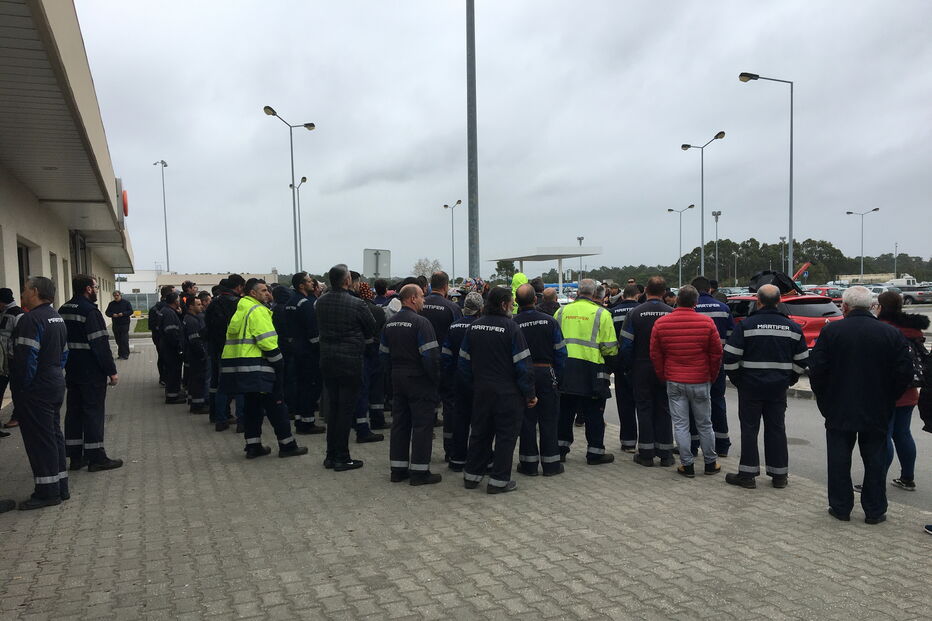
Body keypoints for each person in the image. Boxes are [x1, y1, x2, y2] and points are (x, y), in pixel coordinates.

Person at [809, 286, 913, 524]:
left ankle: (840, 507)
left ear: (844, 307)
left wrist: (825, 401)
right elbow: (903, 373)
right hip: (877, 407)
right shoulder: (890, 333)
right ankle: (875, 511)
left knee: (838, 460)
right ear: (872, 306)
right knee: (875, 460)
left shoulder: (832, 332)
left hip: (838, 407)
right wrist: (889, 399)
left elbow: (817, 371)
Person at [723, 284, 808, 489]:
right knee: (776, 428)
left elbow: (730, 357)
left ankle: (747, 475)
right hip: (778, 387)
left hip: (750, 386)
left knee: (749, 429)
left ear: (758, 301)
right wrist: (790, 379)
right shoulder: (793, 327)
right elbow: (802, 359)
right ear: (779, 301)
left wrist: (737, 380)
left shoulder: (746, 325)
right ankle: (779, 476)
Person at [458, 287, 536, 493]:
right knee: (505, 437)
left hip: (481, 391)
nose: (512, 306)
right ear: (503, 304)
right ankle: (499, 482)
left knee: (479, 434)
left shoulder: (473, 327)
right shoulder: (512, 328)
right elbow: (523, 366)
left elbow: (463, 363)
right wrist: (529, 393)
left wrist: (473, 386)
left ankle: (471, 477)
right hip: (507, 394)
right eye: (511, 303)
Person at [219, 279, 307, 459]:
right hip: (260, 368)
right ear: (253, 293)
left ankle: (253, 446)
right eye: (264, 290)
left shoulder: (241, 310)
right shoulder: (258, 311)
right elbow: (267, 341)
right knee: (277, 406)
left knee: (252, 408)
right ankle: (287, 445)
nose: (268, 293)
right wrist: (279, 362)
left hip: (242, 369)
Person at [650, 285, 723, 478]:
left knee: (680, 425)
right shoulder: (707, 323)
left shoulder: (661, 323)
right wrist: (711, 376)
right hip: (700, 380)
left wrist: (662, 374)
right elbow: (716, 354)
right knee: (705, 424)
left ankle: (687, 465)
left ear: (676, 300)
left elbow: (655, 354)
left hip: (674, 380)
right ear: (696, 302)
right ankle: (710, 463)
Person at [11, 277, 69, 509]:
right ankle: (60, 487)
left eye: (25, 290)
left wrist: (22, 388)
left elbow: (26, 360)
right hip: (54, 381)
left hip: (36, 388)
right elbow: (64, 353)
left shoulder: (30, 320)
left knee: (40, 441)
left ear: (34, 291)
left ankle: (47, 493)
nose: (22, 294)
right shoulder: (56, 318)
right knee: (54, 436)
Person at [315, 264, 376, 471]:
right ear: (347, 280)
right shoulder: (357, 303)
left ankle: (331, 455)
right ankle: (342, 457)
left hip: (327, 360)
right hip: (350, 361)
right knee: (345, 410)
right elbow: (371, 327)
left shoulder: (320, 302)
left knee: (334, 408)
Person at [59, 274, 122, 472]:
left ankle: (75, 457)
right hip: (91, 371)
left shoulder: (63, 310)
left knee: (74, 412)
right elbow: (100, 345)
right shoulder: (90, 312)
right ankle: (96, 458)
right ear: (87, 289)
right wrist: (111, 371)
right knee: (93, 412)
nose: (96, 290)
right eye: (95, 287)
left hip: (72, 370)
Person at [380, 284, 442, 485]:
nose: (424, 300)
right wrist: (435, 380)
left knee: (400, 424)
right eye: (422, 296)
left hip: (397, 378)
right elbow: (430, 357)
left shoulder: (389, 323)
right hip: (419, 379)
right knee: (422, 426)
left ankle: (397, 470)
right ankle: (419, 472)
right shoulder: (421, 323)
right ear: (412, 299)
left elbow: (383, 356)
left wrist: (390, 378)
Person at [554, 278, 618, 465]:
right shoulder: (601, 313)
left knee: (564, 412)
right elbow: (610, 348)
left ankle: (559, 450)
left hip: (565, 368)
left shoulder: (561, 311)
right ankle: (595, 452)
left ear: (578, 292)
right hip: (591, 370)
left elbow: (554, 341)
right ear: (594, 293)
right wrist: (611, 364)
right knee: (594, 413)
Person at [875, 291, 928, 492]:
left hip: (886, 391)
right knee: (903, 433)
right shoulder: (914, 329)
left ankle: (876, 479)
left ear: (881, 307)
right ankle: (907, 478)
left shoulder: (883, 329)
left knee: (882, 436)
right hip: (909, 390)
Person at [514, 284, 567, 476]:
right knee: (549, 419)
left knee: (527, 421)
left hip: (523, 375)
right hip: (547, 373)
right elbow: (561, 353)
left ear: (517, 302)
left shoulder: (513, 323)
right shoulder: (550, 322)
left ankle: (528, 465)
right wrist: (558, 378)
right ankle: (551, 465)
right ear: (535, 300)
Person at [620, 276, 674, 467]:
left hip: (641, 366)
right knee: (665, 408)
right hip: (666, 368)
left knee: (643, 408)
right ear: (664, 292)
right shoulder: (672, 313)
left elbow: (626, 345)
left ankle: (646, 453)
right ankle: (666, 454)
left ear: (645, 292)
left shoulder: (635, 313)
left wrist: (628, 367)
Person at [419, 271, 462, 457]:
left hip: (421, 364)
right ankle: (450, 449)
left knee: (425, 408)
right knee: (450, 408)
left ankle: (423, 450)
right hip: (447, 365)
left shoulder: (420, 304)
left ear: (430, 285)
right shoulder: (452, 307)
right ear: (446, 287)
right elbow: (459, 336)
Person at [692, 276, 734, 457]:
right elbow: (731, 337)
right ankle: (722, 445)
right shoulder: (724, 309)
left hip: (693, 365)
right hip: (717, 363)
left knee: (692, 405)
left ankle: (693, 446)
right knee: (717, 401)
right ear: (710, 290)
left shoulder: (689, 308)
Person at [441, 291, 483, 472]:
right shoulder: (481, 326)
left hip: (456, 381)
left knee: (459, 419)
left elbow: (446, 356)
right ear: (480, 308)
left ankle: (456, 458)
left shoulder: (453, 327)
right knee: (479, 421)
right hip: (478, 381)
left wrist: (447, 376)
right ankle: (479, 457)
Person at [282, 272, 326, 435]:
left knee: (301, 386)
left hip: (295, 350)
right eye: (308, 281)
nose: (312, 284)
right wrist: (319, 350)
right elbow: (312, 331)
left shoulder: (289, 302)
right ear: (301, 285)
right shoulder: (305, 303)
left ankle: (301, 419)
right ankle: (307, 423)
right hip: (308, 352)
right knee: (311, 386)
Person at [205, 275, 245, 432]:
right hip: (236, 349)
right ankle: (242, 421)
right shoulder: (237, 303)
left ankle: (220, 419)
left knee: (221, 385)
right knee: (241, 386)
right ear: (239, 287)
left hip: (217, 349)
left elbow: (207, 326)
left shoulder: (214, 302)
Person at [353, 281, 386, 442]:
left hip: (358, 353)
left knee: (362, 390)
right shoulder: (377, 311)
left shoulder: (354, 308)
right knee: (376, 389)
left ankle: (360, 423)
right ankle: (377, 419)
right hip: (375, 352)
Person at [609, 284, 640, 452]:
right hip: (640, 363)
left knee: (625, 404)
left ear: (622, 296)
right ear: (637, 296)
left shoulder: (613, 312)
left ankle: (628, 442)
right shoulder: (641, 311)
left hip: (620, 363)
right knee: (643, 403)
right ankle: (648, 440)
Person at [0, 288, 25, 432]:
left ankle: (17, 417)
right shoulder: (5, 313)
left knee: (17, 390)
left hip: (12, 359)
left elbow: (16, 339)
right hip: (6, 359)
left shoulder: (16, 314)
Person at [182, 296, 209, 414]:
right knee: (198, 379)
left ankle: (194, 402)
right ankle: (198, 405)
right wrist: (203, 353)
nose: (201, 306)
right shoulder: (192, 321)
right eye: (198, 304)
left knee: (194, 379)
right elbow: (195, 341)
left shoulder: (190, 318)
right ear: (191, 306)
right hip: (196, 356)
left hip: (192, 355)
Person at [159, 292, 186, 404]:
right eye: (178, 299)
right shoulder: (169, 313)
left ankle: (173, 393)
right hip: (171, 349)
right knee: (173, 372)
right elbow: (171, 333)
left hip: (167, 347)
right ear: (175, 301)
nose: (179, 301)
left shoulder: (167, 311)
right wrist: (178, 347)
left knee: (172, 371)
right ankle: (172, 396)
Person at [148, 285, 174, 386]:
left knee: (162, 357)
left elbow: (151, 326)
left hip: (158, 338)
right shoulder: (166, 308)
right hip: (164, 338)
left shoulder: (154, 308)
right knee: (166, 358)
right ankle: (166, 378)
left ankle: (163, 378)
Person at [105, 290, 133, 360]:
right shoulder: (111, 304)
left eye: (117, 295)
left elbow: (131, 311)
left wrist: (123, 313)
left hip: (124, 324)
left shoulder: (126, 303)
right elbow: (107, 312)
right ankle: (120, 354)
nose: (116, 297)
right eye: (114, 296)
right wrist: (112, 314)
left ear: (120, 295)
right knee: (118, 340)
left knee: (124, 339)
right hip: (116, 324)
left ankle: (126, 354)